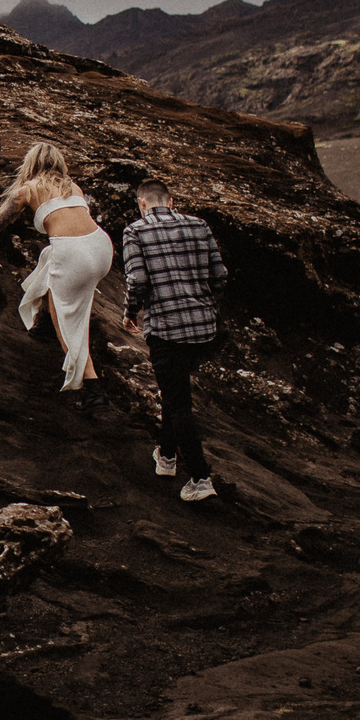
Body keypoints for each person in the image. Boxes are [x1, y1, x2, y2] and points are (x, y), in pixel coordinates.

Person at [0, 141, 115, 395]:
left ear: (30, 164)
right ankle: (44, 323)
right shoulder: (73, 187)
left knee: (65, 318)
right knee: (50, 257)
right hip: (101, 247)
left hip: (73, 253)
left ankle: (92, 388)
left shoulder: (26, 190)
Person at [120, 179, 227, 504]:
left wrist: (130, 312)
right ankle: (166, 457)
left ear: (142, 204)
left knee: (179, 402)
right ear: (171, 200)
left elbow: (138, 280)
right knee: (175, 390)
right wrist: (208, 306)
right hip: (202, 329)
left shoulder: (135, 231)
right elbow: (220, 275)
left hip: (167, 330)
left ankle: (200, 479)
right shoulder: (199, 225)